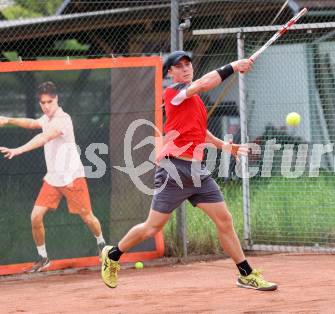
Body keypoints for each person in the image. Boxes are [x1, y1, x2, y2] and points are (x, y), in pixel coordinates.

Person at [100, 51, 277, 291]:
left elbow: (200, 130)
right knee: (152, 228)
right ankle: (112, 255)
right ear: (170, 73)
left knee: (224, 220)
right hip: (173, 169)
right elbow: (204, 83)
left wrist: (226, 146)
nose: (185, 69)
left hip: (197, 171)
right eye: (179, 66)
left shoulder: (196, 102)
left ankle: (246, 274)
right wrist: (235, 65)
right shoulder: (173, 93)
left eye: (188, 65)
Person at [0, 81, 106, 273]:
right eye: (43, 103)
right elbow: (33, 123)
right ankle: (43, 258)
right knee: (35, 217)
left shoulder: (62, 120)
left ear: (56, 99)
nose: (46, 106)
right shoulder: (47, 118)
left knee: (87, 217)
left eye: (49, 102)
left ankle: (102, 246)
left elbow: (43, 138)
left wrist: (18, 150)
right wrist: (8, 120)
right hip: (53, 178)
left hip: (72, 178)